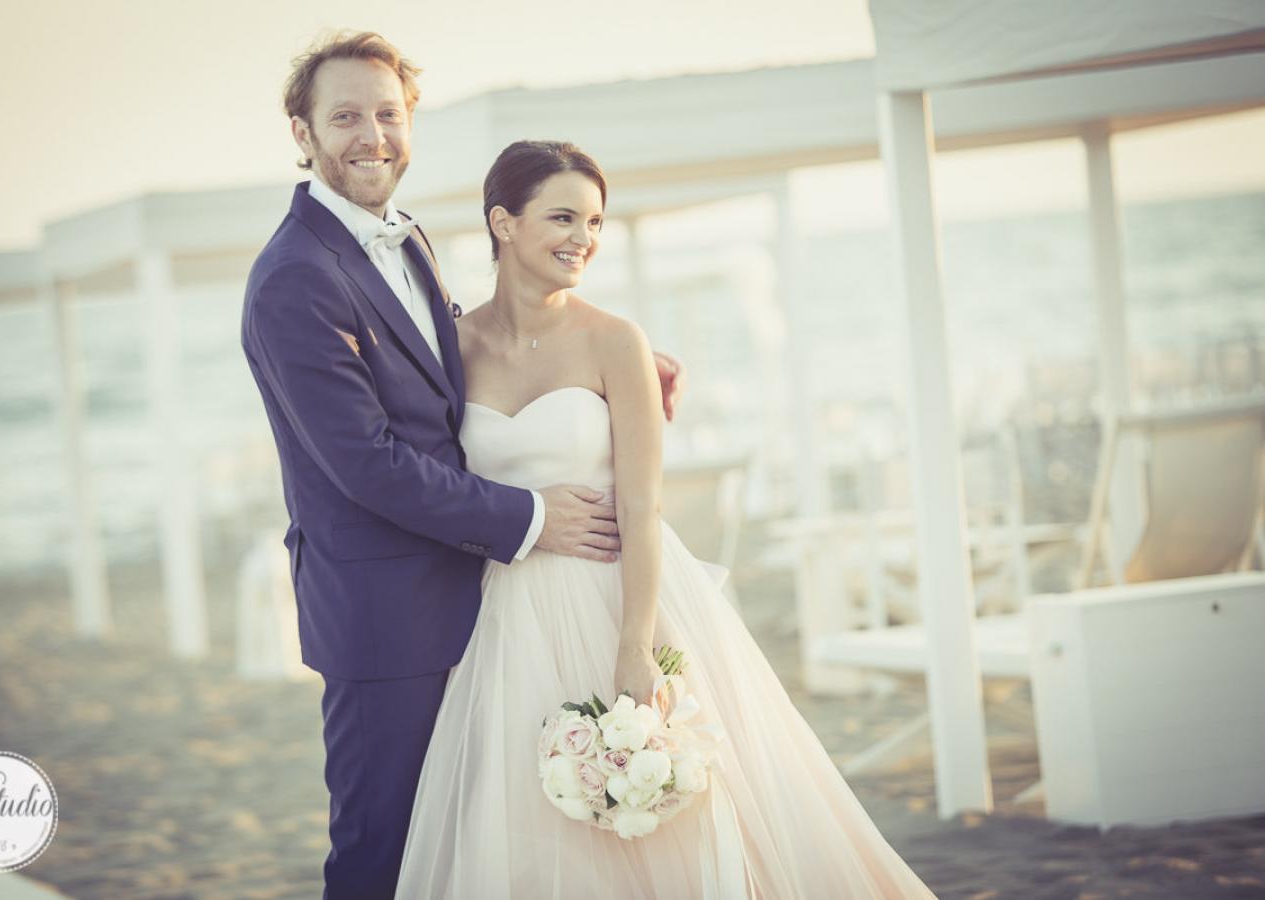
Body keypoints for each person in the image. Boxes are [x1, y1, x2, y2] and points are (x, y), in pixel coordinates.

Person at [394, 141, 939, 899]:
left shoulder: (617, 340)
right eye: (561, 217)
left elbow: (645, 504)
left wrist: (634, 646)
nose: (582, 238)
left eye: (593, 221)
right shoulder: (449, 350)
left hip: (619, 591)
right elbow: (426, 478)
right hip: (508, 613)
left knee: (673, 821)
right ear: (503, 222)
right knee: (530, 825)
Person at [239, 32, 686, 900]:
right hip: (383, 621)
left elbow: (455, 349)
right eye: (345, 118)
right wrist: (528, 515)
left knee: (466, 856)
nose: (372, 136)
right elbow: (365, 462)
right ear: (303, 134)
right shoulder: (294, 277)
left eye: (388, 115)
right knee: (382, 855)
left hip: (471, 607)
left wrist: (615, 359)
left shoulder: (400, 240)